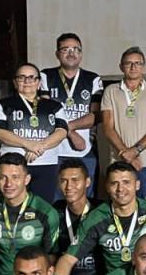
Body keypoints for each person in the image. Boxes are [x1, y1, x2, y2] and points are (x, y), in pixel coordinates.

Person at [55, 162, 146, 275]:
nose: (120, 189)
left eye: (126, 182)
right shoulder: (96, 217)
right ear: (107, 187)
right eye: (114, 183)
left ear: (137, 185)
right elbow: (68, 259)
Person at [0, 153, 61, 275]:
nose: (8, 184)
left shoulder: (46, 212)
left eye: (15, 177)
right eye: (3, 177)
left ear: (27, 179)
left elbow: (51, 255)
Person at [0, 62, 69, 201]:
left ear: (39, 82)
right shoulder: (3, 104)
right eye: (22, 77)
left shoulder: (55, 106)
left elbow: (62, 131)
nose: (27, 81)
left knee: (43, 206)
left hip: (46, 164)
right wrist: (29, 144)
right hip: (13, 165)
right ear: (15, 82)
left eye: (32, 77)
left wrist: (39, 147)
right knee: (10, 204)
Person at [99, 47, 146, 203]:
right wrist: (125, 153)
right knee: (120, 207)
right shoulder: (111, 91)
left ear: (144, 67)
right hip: (119, 161)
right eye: (128, 63)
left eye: (138, 63)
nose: (133, 67)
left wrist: (135, 151)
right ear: (121, 66)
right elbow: (108, 128)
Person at [41, 33, 104, 193]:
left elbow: (96, 115)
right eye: (65, 49)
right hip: (53, 150)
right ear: (57, 54)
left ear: (81, 54)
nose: (71, 53)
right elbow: (45, 113)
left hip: (84, 150)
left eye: (76, 49)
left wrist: (67, 127)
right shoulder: (45, 76)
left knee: (84, 199)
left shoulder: (93, 79)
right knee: (55, 200)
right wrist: (71, 133)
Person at [54, 158, 100, 275]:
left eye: (75, 180)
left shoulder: (102, 210)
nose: (69, 186)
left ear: (87, 182)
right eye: (64, 181)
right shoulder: (54, 211)